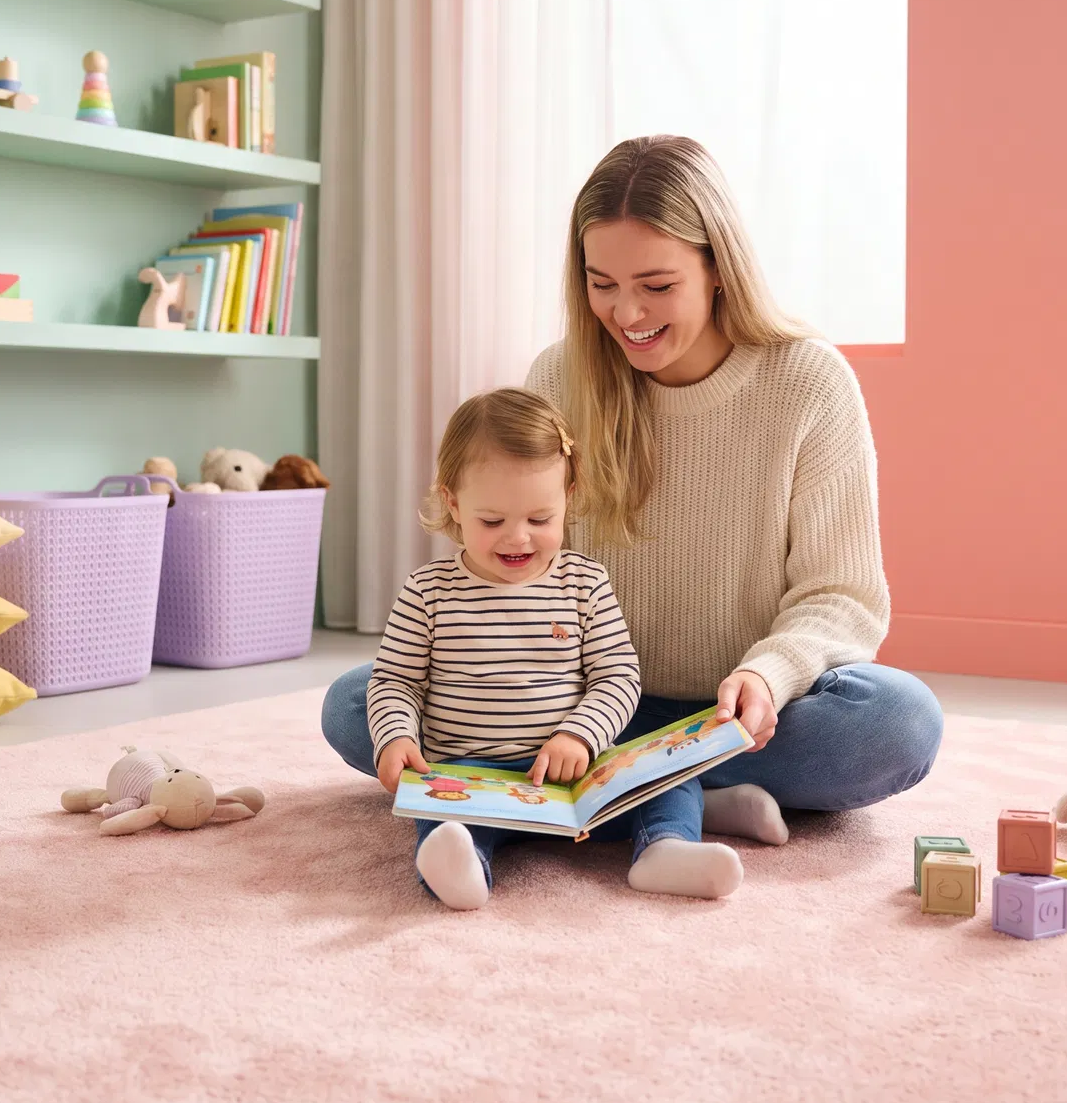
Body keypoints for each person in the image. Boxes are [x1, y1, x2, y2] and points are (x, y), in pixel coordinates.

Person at [327, 133, 943, 848]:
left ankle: (620, 789)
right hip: (571, 707)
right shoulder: (558, 378)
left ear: (718, 268)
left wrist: (770, 675)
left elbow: (843, 595)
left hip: (727, 718)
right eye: (602, 284)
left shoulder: (809, 382)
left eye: (656, 286)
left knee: (897, 722)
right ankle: (674, 796)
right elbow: (520, 557)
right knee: (355, 703)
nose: (626, 315)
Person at [368, 386, 744, 910]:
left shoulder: (584, 583)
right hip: (471, 778)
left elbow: (617, 676)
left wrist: (579, 735)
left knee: (665, 779)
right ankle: (462, 870)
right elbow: (395, 681)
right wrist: (395, 737)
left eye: (540, 519)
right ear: (453, 502)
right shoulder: (428, 591)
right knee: (442, 820)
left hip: (574, 775)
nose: (518, 538)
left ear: (568, 495)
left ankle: (665, 850)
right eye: (492, 521)